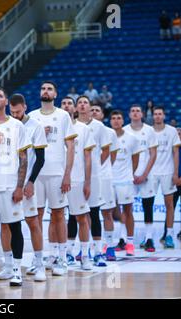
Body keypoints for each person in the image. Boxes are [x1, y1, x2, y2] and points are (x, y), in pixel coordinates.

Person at [28, 81, 76, 276]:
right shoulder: (31, 116)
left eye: (49, 89)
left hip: (57, 173)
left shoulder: (63, 116)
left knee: (58, 216)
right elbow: (25, 147)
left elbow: (71, 147)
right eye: (42, 88)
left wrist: (67, 174)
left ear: (55, 94)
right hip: (37, 175)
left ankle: (62, 259)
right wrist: (39, 135)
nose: (45, 91)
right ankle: (39, 258)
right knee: (36, 217)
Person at [0, 87, 29, 287]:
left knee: (15, 227)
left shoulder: (17, 126)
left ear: (7, 101)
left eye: (0, 95)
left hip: (10, 186)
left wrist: (20, 186)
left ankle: (16, 270)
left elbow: (24, 158)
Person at [8, 93, 48, 281]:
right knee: (7, 224)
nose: (15, 115)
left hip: (28, 183)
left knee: (33, 222)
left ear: (24, 107)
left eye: (18, 111)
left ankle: (39, 263)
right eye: (12, 111)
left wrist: (31, 181)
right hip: (9, 182)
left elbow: (40, 159)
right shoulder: (7, 125)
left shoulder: (35, 126)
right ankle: (9, 266)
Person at [75, 97, 111, 267]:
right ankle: (82, 251)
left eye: (85, 102)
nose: (82, 104)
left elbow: (106, 150)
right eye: (80, 102)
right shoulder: (71, 126)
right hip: (75, 175)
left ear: (90, 107)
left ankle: (98, 253)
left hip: (94, 176)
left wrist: (96, 165)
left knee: (95, 213)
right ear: (76, 107)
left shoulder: (99, 127)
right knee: (76, 215)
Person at [61, 97, 95, 270]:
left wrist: (87, 181)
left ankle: (85, 255)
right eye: (63, 103)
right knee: (56, 218)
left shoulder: (83, 129)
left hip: (77, 179)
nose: (66, 106)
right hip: (56, 179)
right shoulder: (53, 128)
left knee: (81, 218)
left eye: (69, 103)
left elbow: (88, 158)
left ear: (74, 109)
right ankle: (60, 254)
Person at [124, 105, 158, 254]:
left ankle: (149, 238)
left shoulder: (149, 130)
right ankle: (123, 238)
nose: (135, 113)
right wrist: (130, 174)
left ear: (142, 114)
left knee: (148, 206)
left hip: (146, 174)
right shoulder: (124, 130)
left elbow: (153, 154)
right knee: (126, 208)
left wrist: (144, 174)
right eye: (133, 111)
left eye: (138, 111)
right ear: (129, 114)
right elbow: (122, 156)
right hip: (128, 175)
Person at [110, 110, 143, 256]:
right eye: (113, 118)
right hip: (109, 180)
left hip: (125, 180)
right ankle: (109, 243)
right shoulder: (107, 137)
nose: (116, 121)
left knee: (128, 211)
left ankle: (129, 243)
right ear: (110, 121)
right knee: (108, 212)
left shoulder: (132, 138)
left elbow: (135, 160)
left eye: (119, 118)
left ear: (123, 121)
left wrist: (130, 174)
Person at [91, 104, 120, 261]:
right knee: (88, 214)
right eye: (92, 110)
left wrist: (101, 167)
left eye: (97, 110)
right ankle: (90, 247)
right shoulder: (81, 129)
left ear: (102, 115)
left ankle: (109, 247)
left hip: (105, 176)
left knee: (107, 213)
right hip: (89, 178)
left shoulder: (110, 132)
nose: (94, 112)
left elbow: (112, 155)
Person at [150, 106, 181, 250]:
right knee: (147, 205)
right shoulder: (148, 131)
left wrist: (175, 173)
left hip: (167, 172)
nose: (157, 116)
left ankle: (169, 235)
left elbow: (176, 153)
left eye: (159, 114)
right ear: (152, 116)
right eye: (155, 114)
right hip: (151, 172)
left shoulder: (172, 131)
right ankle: (148, 237)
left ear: (164, 115)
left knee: (170, 205)